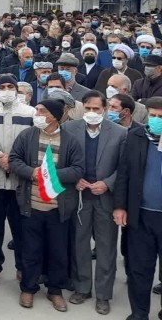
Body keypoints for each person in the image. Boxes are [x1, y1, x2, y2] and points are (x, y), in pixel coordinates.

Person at [9, 98, 84, 311]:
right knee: (30, 250)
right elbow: (14, 159)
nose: (37, 114)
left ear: (54, 116)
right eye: (37, 110)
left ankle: (55, 290)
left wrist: (50, 174)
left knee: (58, 252)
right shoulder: (27, 136)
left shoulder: (70, 141)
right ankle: (28, 288)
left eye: (42, 111)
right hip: (31, 205)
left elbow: (78, 169)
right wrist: (32, 172)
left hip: (57, 208)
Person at [65, 90, 126, 316]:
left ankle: (103, 294)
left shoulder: (120, 133)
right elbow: (62, 160)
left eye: (96, 109)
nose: (91, 112)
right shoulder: (69, 129)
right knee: (79, 244)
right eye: (88, 108)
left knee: (106, 247)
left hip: (105, 198)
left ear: (105, 109)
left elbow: (125, 167)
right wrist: (74, 178)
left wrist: (108, 183)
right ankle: (82, 287)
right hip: (80, 196)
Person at [0, 74, 36, 287]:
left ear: (17, 89)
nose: (7, 90)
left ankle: (22, 266)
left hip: (20, 182)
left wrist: (14, 161)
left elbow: (33, 140)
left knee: (21, 227)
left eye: (11, 86)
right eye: (3, 87)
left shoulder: (30, 112)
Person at [114, 97, 162, 320]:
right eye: (153, 115)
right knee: (139, 268)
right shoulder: (135, 136)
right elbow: (123, 173)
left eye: (161, 117)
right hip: (140, 215)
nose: (156, 120)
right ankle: (139, 313)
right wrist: (120, 207)